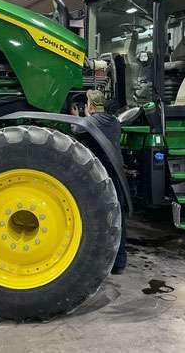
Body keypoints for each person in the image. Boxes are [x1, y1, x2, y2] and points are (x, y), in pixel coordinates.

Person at [70, 89, 127, 274]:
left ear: (90, 106)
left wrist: (76, 116)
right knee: (119, 215)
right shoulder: (114, 121)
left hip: (102, 172)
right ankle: (120, 263)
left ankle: (102, 261)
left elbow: (76, 129)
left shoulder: (90, 121)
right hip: (117, 171)